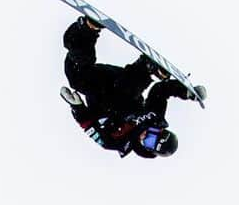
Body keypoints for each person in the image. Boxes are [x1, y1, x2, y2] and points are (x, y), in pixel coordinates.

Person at [59, 16, 204, 158]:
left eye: (149, 142)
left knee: (77, 76)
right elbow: (160, 91)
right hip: (123, 83)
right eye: (153, 133)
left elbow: (89, 126)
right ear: (159, 130)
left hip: (98, 90)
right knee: (125, 92)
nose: (146, 135)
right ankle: (148, 68)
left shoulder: (116, 142)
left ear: (147, 148)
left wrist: (77, 107)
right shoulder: (153, 118)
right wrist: (186, 92)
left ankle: (87, 30)